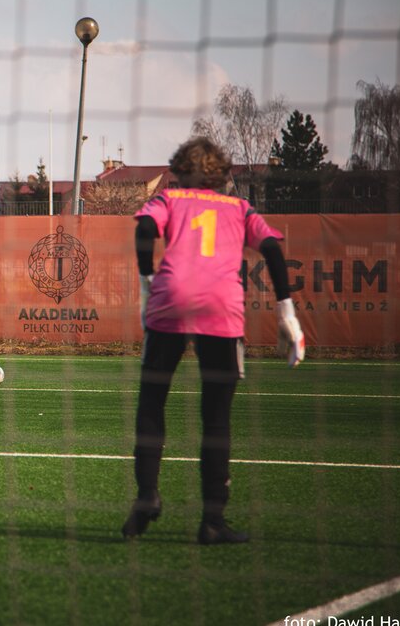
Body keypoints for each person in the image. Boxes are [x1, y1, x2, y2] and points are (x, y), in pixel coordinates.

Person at [123, 136, 305, 545]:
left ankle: (147, 494)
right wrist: (287, 312)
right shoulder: (239, 208)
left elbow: (146, 228)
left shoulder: (169, 199)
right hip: (221, 308)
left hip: (170, 300)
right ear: (221, 174)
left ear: (179, 171)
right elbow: (272, 249)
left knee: (152, 402)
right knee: (216, 416)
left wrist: (147, 282)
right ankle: (212, 520)